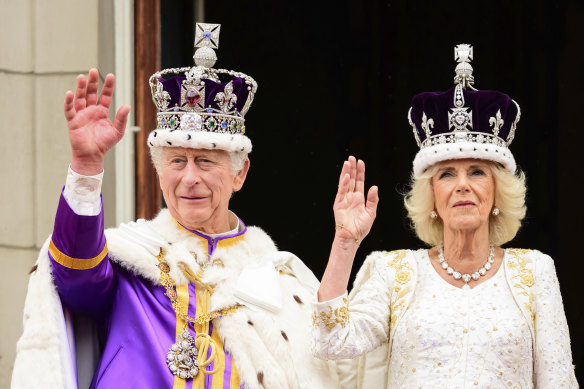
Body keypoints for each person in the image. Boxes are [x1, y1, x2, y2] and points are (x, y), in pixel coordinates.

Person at [13, 23, 338, 389]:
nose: (189, 178)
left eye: (205, 161)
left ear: (239, 173)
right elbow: (75, 276)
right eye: (177, 161)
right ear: (159, 171)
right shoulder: (132, 259)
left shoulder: (277, 280)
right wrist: (87, 171)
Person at [311, 44, 578, 388]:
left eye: (478, 172)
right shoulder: (394, 273)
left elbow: (559, 381)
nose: (462, 185)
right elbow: (331, 343)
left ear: (498, 190)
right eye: (447, 174)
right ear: (432, 195)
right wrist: (345, 243)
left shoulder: (536, 273)